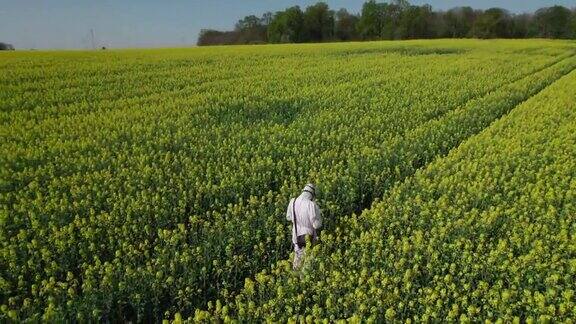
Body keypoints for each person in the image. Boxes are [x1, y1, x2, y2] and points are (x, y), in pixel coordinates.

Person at [286, 183, 322, 270]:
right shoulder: (311, 205)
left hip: (296, 237)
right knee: (307, 265)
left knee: (297, 261)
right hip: (309, 238)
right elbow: (316, 225)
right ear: (312, 194)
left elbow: (288, 217)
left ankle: (295, 280)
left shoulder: (293, 201)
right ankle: (304, 281)